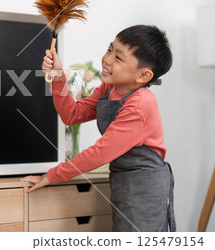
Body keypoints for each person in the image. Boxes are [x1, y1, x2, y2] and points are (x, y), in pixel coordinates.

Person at [21, 25, 176, 232]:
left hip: (144, 187)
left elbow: (100, 153)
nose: (107, 59)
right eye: (109, 49)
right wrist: (58, 77)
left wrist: (52, 175)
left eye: (118, 58)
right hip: (122, 180)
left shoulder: (140, 104)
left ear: (143, 76)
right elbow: (72, 115)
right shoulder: (109, 88)